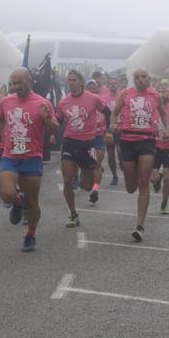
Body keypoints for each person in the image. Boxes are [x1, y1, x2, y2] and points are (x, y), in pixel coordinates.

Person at [0, 68, 58, 252]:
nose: (15, 87)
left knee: (33, 200)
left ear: (29, 82)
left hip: (32, 157)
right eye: (12, 83)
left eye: (19, 83)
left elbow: (56, 130)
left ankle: (31, 234)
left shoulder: (42, 103)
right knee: (6, 193)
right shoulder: (6, 102)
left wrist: (47, 120)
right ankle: (18, 203)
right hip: (11, 156)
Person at [112, 68, 168, 242]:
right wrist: (113, 124)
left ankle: (140, 226)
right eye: (137, 77)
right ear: (133, 80)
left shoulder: (155, 96)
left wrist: (167, 128)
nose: (141, 80)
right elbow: (114, 113)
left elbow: (164, 115)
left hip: (147, 140)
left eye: (144, 77)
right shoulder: (125, 94)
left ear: (149, 79)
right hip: (127, 139)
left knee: (144, 182)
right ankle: (133, 173)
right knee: (130, 188)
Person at [56, 70, 109, 227]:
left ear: (81, 82)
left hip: (88, 144)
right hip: (70, 143)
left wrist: (110, 131)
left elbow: (107, 112)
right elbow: (57, 120)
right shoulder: (63, 103)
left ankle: (88, 175)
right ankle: (73, 214)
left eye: (74, 80)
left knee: (86, 186)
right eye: (69, 80)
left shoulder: (93, 99)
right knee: (67, 180)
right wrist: (52, 131)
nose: (71, 83)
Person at [84, 78, 111, 203]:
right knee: (86, 165)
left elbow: (109, 115)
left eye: (93, 87)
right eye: (88, 87)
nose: (91, 89)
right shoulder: (81, 101)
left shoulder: (102, 101)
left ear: (97, 89)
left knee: (97, 164)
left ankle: (95, 190)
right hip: (84, 137)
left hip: (99, 135)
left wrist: (109, 132)